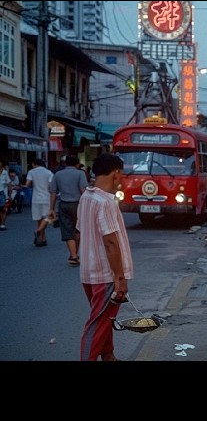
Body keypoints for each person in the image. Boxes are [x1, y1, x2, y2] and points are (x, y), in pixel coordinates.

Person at [76, 153, 133, 361]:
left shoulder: (86, 197)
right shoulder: (105, 201)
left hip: (89, 272)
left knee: (105, 317)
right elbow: (110, 242)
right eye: (122, 174)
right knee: (97, 323)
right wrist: (120, 278)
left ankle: (108, 356)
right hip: (105, 274)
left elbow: (80, 231)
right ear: (116, 174)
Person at [48, 154, 88, 265]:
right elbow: (83, 189)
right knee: (78, 230)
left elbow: (53, 192)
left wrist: (51, 209)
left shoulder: (58, 174)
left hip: (64, 204)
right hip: (78, 204)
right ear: (78, 164)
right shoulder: (80, 173)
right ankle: (75, 254)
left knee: (67, 230)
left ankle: (73, 255)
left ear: (65, 163)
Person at [25, 158, 54, 247]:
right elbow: (51, 186)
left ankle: (42, 238)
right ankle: (39, 231)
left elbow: (27, 184)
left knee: (39, 218)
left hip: (36, 198)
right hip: (46, 197)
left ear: (34, 164)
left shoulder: (31, 172)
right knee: (48, 217)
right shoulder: (49, 173)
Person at [0, 160, 12, 231]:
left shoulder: (5, 173)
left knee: (3, 209)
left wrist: (10, 195)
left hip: (3, 193)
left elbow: (9, 183)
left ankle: (2, 224)